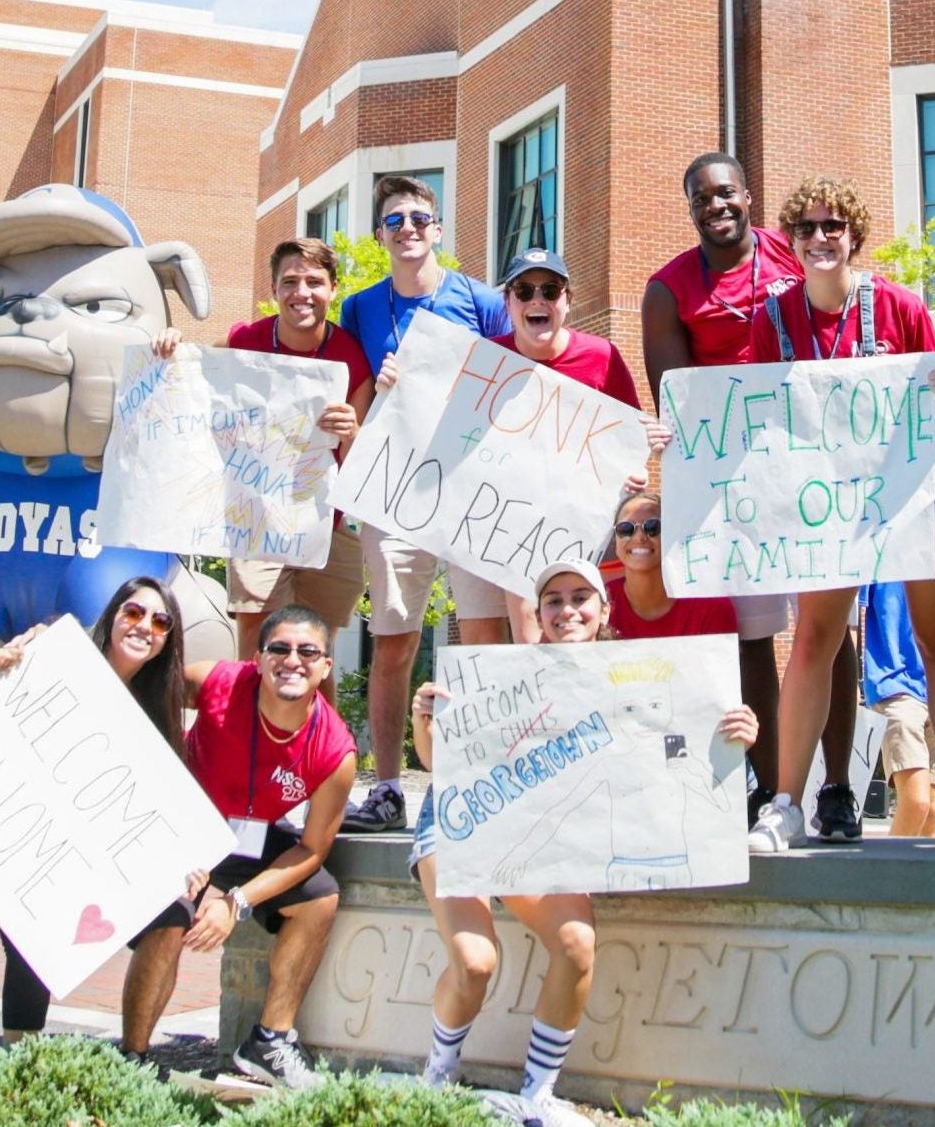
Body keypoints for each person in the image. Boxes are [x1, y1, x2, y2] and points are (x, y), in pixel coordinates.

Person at [408, 560, 758, 1126]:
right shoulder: (495, 675)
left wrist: (735, 739)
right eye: (553, 600)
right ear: (538, 615)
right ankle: (437, 1076)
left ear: (603, 612)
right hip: (464, 824)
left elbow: (684, 763)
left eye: (580, 598)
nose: (567, 610)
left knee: (574, 943)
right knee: (474, 963)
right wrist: (425, 721)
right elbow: (435, 765)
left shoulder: (633, 680)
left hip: (545, 837)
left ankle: (536, 1096)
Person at [742, 175, 935, 849]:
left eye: (833, 227)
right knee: (817, 638)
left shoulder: (900, 305)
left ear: (855, 234)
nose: (821, 239)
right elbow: (760, 411)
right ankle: (785, 804)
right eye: (806, 229)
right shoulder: (772, 319)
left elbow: (931, 407)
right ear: (790, 241)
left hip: (913, 489)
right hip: (825, 499)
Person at [0, 578, 188, 1079]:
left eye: (160, 622)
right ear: (114, 614)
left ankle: (19, 1082)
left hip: (36, 835)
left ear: (168, 641)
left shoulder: (152, 713)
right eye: (135, 612)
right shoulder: (52, 646)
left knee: (33, 947)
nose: (145, 626)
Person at [336, 174, 513, 834]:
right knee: (393, 638)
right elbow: (351, 405)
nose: (407, 228)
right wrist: (377, 391)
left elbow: (514, 386)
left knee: (483, 633)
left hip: (469, 489)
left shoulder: (484, 302)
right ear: (381, 236)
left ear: (437, 230)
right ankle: (386, 787)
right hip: (395, 493)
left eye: (418, 217)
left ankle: (486, 774)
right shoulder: (359, 311)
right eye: (393, 221)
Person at [120, 604, 358, 1088]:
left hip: (248, 838)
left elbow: (312, 849)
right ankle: (134, 1058)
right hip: (185, 825)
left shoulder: (335, 751)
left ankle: (270, 1041)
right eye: (280, 649)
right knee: (173, 914)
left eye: (308, 651)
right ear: (257, 658)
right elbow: (147, 677)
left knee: (320, 898)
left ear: (326, 667)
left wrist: (238, 901)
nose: (293, 660)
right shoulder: (218, 683)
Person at [642, 152, 806, 826]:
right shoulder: (668, 288)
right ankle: (766, 790)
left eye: (727, 192)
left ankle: (828, 792)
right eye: (702, 198)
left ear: (748, 193)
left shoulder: (793, 252)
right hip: (729, 489)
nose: (717, 205)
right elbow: (678, 402)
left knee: (827, 632)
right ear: (690, 209)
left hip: (805, 472)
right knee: (751, 639)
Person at [149, 237, 372, 654]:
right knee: (259, 642)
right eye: (289, 282)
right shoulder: (244, 341)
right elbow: (190, 379)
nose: (301, 293)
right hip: (258, 520)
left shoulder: (351, 357)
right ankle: (248, 721)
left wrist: (352, 432)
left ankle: (318, 723)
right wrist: (172, 347)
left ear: (333, 289)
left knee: (316, 651)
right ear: (274, 290)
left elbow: (362, 465)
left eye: (313, 282)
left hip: (326, 525)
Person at [480, 246, 658, 640]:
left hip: (587, 525)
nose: (537, 299)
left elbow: (632, 436)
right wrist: (397, 382)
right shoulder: (486, 360)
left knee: (590, 633)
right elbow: (445, 429)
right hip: (512, 526)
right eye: (524, 291)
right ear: (508, 302)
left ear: (567, 301)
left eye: (550, 289)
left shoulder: (602, 356)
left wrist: (640, 462)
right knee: (532, 641)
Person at [860, 581, 935, 837]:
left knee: (932, 809)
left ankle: (919, 877)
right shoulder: (873, 546)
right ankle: (884, 875)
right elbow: (853, 616)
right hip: (893, 684)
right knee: (916, 802)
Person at [605, 491, 738, 640]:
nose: (639, 537)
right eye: (625, 529)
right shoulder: (598, 604)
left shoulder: (712, 607)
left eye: (653, 527)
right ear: (615, 543)